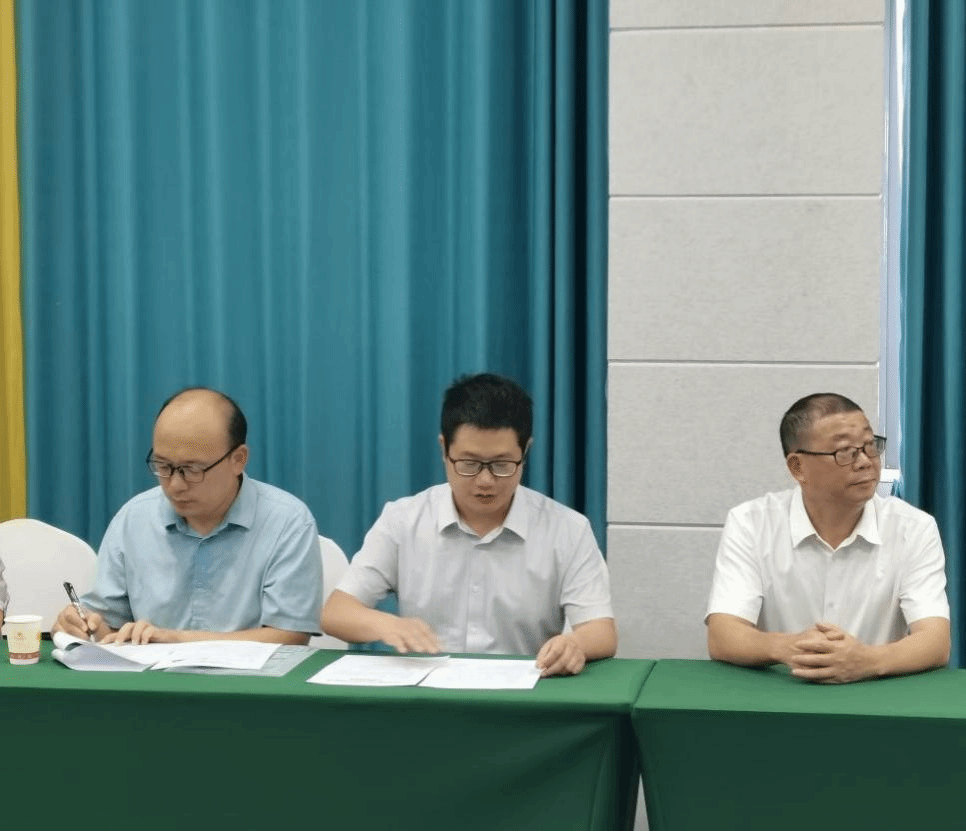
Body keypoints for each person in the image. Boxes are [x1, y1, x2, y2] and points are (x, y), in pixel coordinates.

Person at [322, 372, 617, 677]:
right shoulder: (403, 521)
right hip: (428, 693)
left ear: (525, 452)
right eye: (469, 464)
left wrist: (575, 644)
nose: (485, 480)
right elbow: (336, 612)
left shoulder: (567, 529)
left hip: (523, 693)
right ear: (444, 449)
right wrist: (387, 625)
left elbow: (601, 631)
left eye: (502, 465)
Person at [705, 392, 950, 684]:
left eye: (870, 446)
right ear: (798, 467)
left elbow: (935, 641)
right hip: (782, 693)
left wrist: (866, 661)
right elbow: (723, 635)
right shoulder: (751, 523)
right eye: (844, 452)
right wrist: (788, 647)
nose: (865, 462)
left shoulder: (914, 528)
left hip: (876, 694)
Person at [52, 387, 323, 645]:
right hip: (151, 676)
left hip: (249, 678)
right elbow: (108, 626)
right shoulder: (134, 519)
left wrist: (176, 640)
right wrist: (82, 626)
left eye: (192, 470)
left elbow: (290, 637)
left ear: (238, 459)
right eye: (162, 466)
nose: (175, 485)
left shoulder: (287, 522)